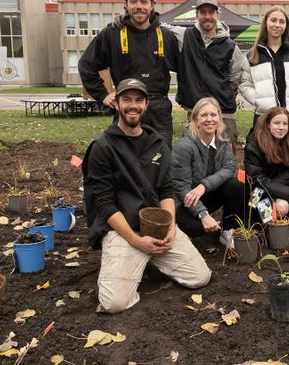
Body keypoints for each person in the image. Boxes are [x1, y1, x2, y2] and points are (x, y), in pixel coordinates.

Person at [82, 78, 211, 314]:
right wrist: (135, 240)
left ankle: (146, 260)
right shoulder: (103, 147)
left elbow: (166, 190)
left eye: (139, 100)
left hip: (156, 227)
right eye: (127, 99)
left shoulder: (158, 144)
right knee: (113, 304)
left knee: (200, 278)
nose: (133, 105)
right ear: (117, 103)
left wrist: (170, 227)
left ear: (146, 104)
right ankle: (134, 258)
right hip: (122, 230)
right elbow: (104, 203)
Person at [79, 0, 181, 144]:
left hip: (159, 111)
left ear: (152, 5)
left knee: (160, 161)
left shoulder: (167, 36)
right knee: (124, 161)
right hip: (127, 108)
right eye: (133, 1)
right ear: (126, 5)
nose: (139, 6)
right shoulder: (112, 34)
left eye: (144, 1)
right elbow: (86, 65)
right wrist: (103, 95)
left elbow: (185, 68)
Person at [239, 6, 289, 167]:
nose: (277, 24)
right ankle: (266, 192)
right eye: (273, 20)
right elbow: (245, 84)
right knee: (264, 164)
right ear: (266, 23)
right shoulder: (253, 54)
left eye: (282, 21)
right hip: (263, 117)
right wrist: (259, 100)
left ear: (286, 26)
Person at [171, 0, 247, 146]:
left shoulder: (231, 46)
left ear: (217, 15)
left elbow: (235, 77)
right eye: (203, 12)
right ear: (197, 15)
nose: (207, 17)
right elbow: (158, 26)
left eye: (211, 13)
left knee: (225, 158)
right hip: (195, 112)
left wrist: (221, 92)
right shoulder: (185, 35)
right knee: (195, 160)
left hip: (223, 112)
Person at [172, 97, 248, 247]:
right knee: (196, 228)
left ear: (220, 118)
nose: (209, 119)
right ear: (195, 119)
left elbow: (228, 168)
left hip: (204, 193)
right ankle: (177, 231)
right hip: (184, 202)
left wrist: (203, 186)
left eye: (213, 115)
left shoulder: (222, 140)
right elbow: (181, 188)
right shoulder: (184, 147)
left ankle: (228, 231)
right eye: (204, 115)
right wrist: (203, 214)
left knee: (235, 186)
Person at [243, 107, 289, 218]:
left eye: (285, 124)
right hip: (257, 193)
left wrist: (282, 189)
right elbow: (258, 180)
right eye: (276, 123)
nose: (281, 128)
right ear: (268, 124)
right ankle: (266, 227)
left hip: (279, 186)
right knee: (282, 206)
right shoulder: (253, 146)